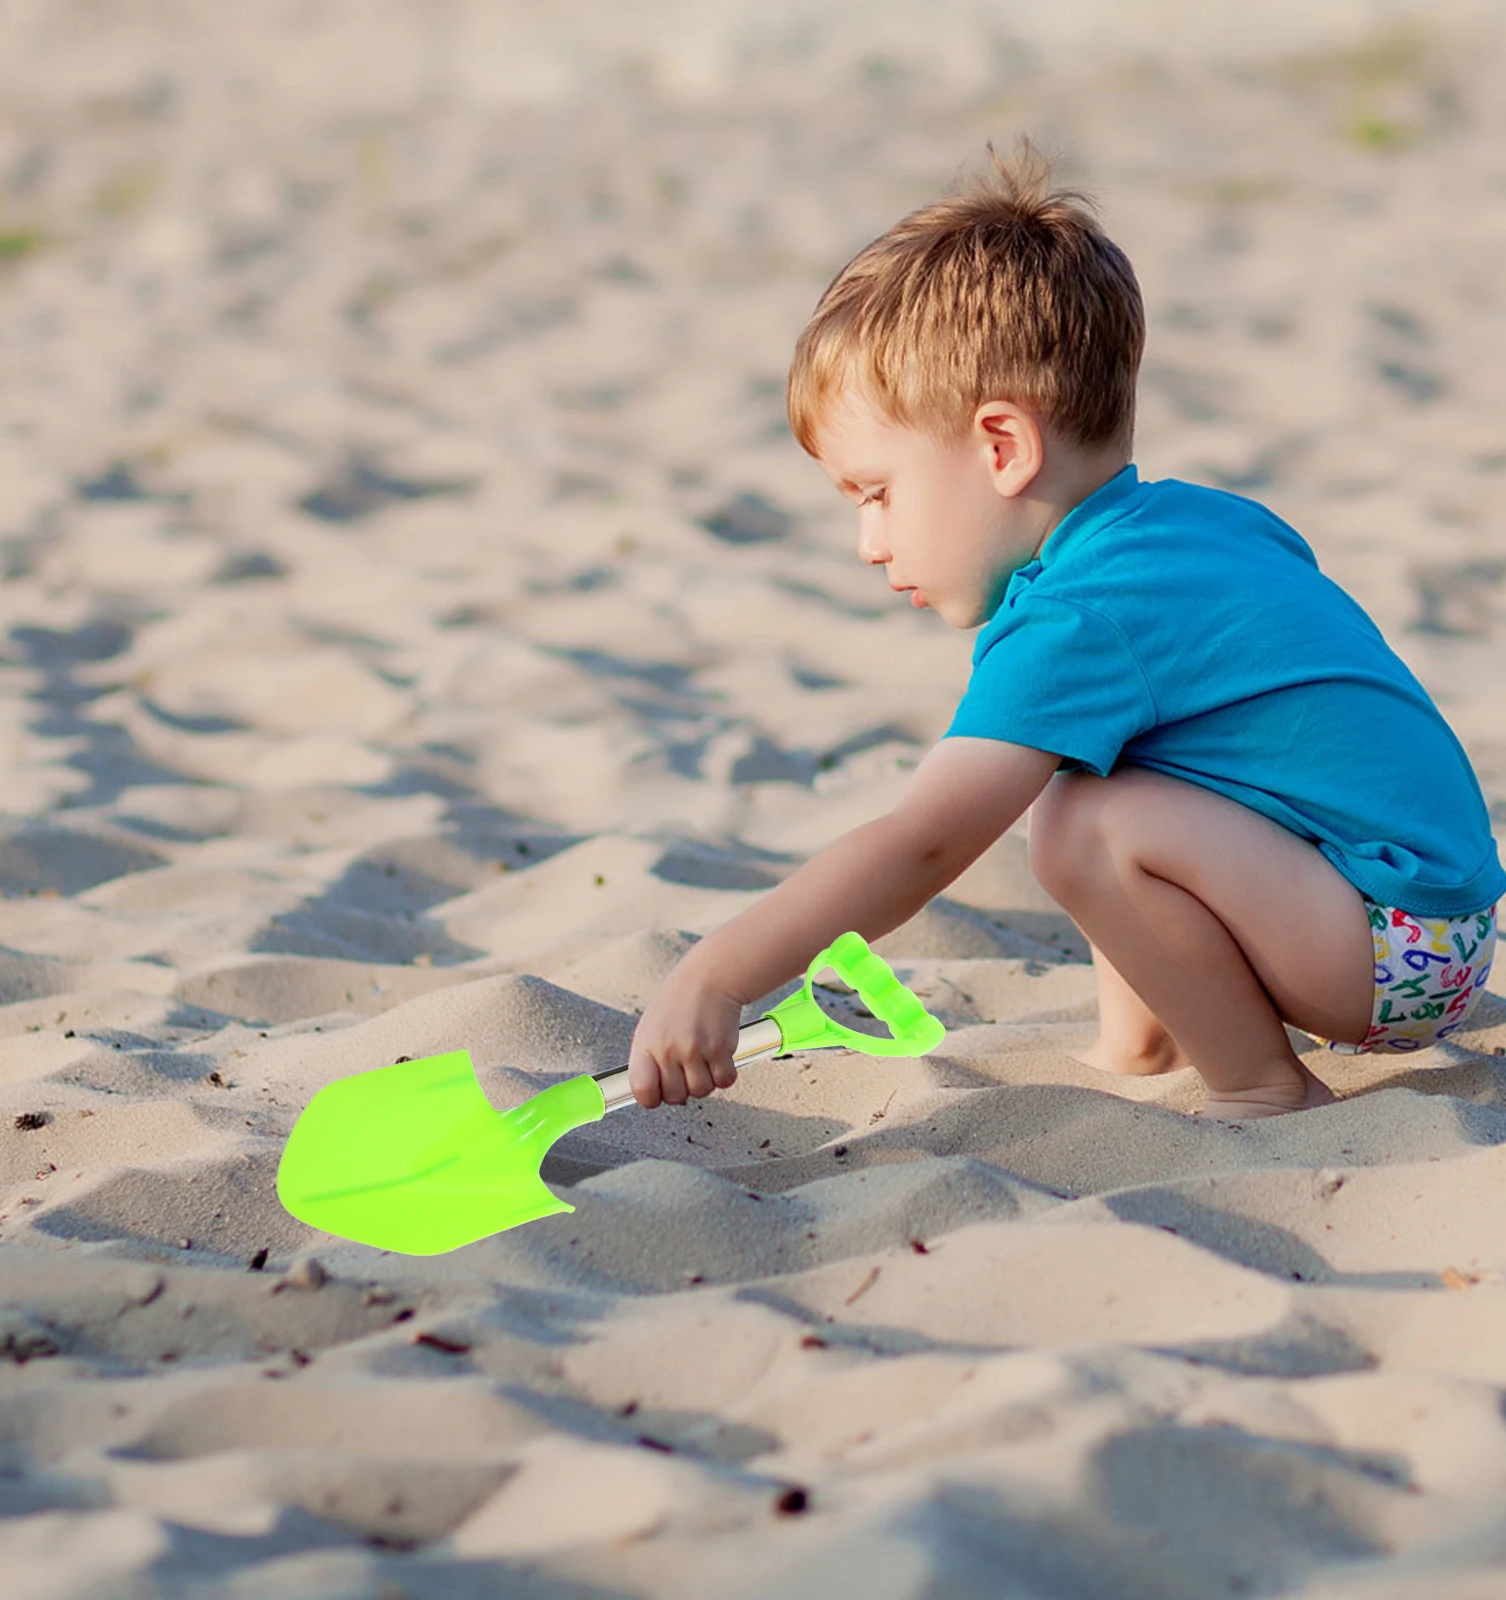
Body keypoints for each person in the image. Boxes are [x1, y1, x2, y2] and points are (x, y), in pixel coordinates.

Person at [626, 140, 1503, 1119]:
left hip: (1387, 949)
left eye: (875, 493)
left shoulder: (1079, 615)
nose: (867, 541)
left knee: (1083, 822)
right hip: (1431, 913)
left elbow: (922, 842)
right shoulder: (1184, 526)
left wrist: (719, 971)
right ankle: (1146, 1038)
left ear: (1001, 445)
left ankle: (1259, 1084)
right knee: (1106, 767)